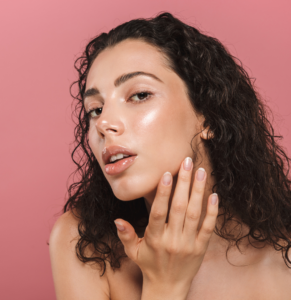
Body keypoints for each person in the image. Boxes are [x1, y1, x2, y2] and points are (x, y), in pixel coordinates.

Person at [49, 12, 291, 299]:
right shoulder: (85, 244)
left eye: (139, 95)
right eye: (95, 109)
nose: (103, 124)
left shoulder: (282, 260)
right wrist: (164, 286)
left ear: (208, 116)